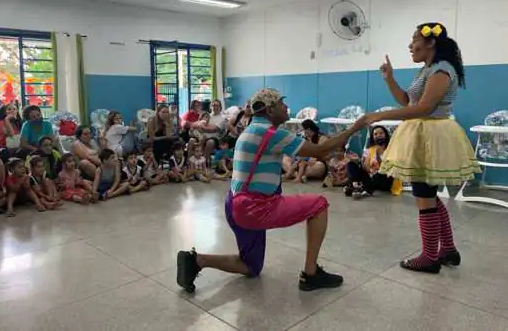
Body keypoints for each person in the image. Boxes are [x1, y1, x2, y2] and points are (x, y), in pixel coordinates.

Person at [176, 88, 365, 293]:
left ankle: (196, 261)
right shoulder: (271, 133)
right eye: (282, 103)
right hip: (256, 207)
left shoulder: (251, 129)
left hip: (234, 204)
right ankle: (311, 274)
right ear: (270, 109)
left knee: (251, 267)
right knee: (319, 204)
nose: (286, 107)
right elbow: (320, 150)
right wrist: (354, 128)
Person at [355, 23, 480, 273]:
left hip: (430, 133)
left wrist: (380, 116)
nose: (410, 46)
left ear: (431, 42)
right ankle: (447, 250)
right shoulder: (428, 69)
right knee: (428, 194)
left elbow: (424, 108)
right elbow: (407, 101)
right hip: (420, 131)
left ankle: (429, 257)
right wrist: (389, 79)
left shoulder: (442, 70)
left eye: (414, 40)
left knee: (424, 195)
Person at [344, 125, 402, 199]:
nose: (378, 135)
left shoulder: (391, 149)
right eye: (375, 134)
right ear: (373, 137)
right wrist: (362, 160)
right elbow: (365, 168)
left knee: (380, 173)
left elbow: (389, 169)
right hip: (371, 177)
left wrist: (378, 156)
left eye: (381, 133)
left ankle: (360, 188)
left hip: (385, 179)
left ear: (386, 135)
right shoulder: (370, 150)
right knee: (351, 164)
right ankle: (356, 186)